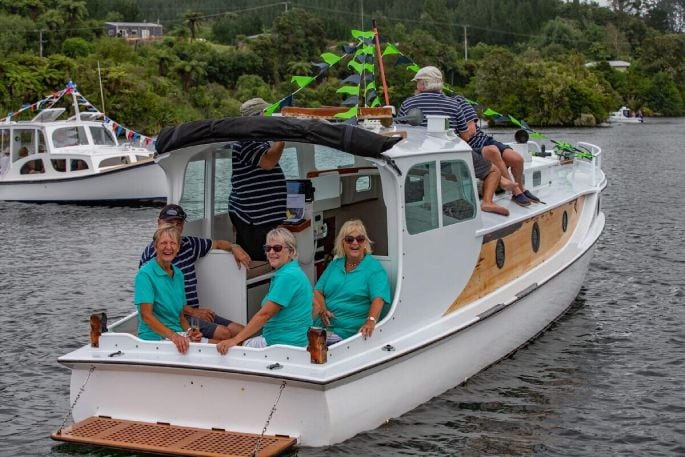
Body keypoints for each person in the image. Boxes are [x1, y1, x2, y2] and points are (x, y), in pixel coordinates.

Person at [398, 66, 511, 216]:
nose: (416, 86)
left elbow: (402, 131)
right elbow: (465, 136)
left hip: (418, 158)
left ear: (423, 84)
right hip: (451, 156)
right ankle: (488, 202)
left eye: (417, 82)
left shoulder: (408, 103)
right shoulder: (453, 104)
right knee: (493, 171)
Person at [140, 204, 251, 340]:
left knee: (243, 331)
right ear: (159, 224)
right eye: (170, 223)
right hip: (177, 318)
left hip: (187, 315)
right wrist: (193, 313)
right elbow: (159, 307)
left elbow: (217, 244)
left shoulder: (187, 249)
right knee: (224, 334)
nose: (174, 227)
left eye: (178, 223)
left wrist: (234, 246)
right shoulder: (149, 264)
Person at [217, 227, 312, 354]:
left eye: (277, 248)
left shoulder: (288, 276)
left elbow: (265, 315)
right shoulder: (289, 272)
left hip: (283, 345)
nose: (271, 252)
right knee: (241, 342)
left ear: (290, 251)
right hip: (285, 340)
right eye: (268, 248)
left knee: (233, 350)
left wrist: (234, 340)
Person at [313, 220, 391, 345]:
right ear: (342, 243)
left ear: (365, 243)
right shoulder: (335, 264)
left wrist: (370, 321)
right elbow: (317, 291)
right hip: (321, 327)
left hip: (346, 333)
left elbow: (378, 299)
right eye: (349, 239)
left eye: (360, 239)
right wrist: (323, 308)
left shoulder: (374, 269)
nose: (355, 243)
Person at [229, 97, 287, 260]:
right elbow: (268, 162)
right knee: (262, 258)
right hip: (253, 219)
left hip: (262, 217)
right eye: (267, 114)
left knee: (271, 257)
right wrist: (281, 139)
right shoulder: (246, 140)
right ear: (259, 115)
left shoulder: (256, 140)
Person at [134, 224, 201, 354]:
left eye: (173, 243)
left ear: (178, 248)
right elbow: (146, 315)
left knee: (224, 346)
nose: (168, 247)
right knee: (218, 348)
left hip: (177, 336)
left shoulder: (178, 274)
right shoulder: (145, 274)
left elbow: (180, 317)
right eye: (163, 243)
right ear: (155, 246)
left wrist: (190, 333)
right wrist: (174, 337)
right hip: (155, 340)